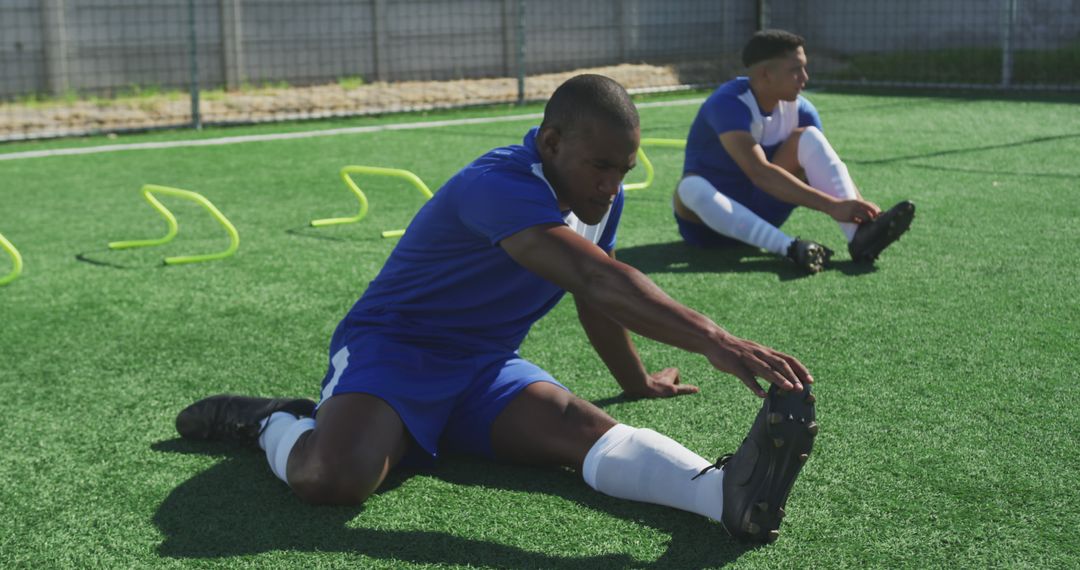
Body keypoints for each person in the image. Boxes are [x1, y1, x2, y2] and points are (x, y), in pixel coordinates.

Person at [175, 74, 817, 544]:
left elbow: (595, 295)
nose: (610, 186)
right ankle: (273, 420)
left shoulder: (599, 198)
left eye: (622, 170)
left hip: (482, 366)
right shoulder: (497, 185)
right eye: (599, 167)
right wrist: (715, 339)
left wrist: (636, 381)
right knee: (333, 480)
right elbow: (595, 280)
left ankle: (722, 496)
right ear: (550, 141)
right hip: (392, 351)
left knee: (579, 430)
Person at [673, 29, 915, 273]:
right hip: (705, 229)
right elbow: (759, 173)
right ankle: (790, 248)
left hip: (763, 211)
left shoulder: (803, 111)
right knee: (689, 187)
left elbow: (823, 169)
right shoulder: (727, 104)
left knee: (808, 137)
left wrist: (857, 207)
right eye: (795, 70)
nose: (805, 77)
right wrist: (833, 206)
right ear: (765, 74)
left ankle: (860, 236)